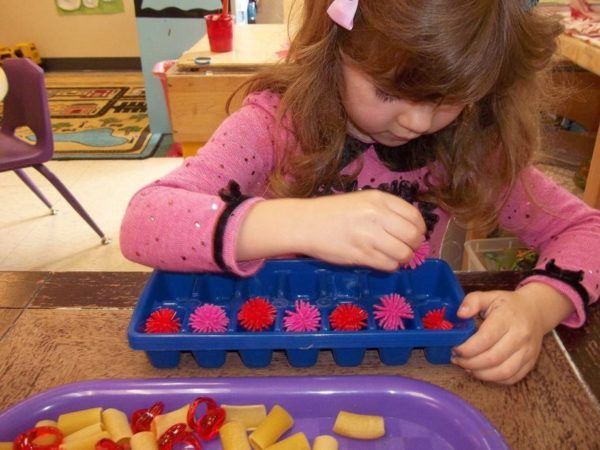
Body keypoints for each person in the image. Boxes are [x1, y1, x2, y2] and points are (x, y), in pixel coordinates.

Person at [121, 0, 600, 384]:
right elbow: (145, 222)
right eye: (389, 93)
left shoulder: (471, 147)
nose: (417, 122)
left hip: (398, 364)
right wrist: (298, 222)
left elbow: (586, 229)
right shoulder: (273, 127)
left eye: (448, 99)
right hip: (262, 355)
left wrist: (537, 307)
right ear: (336, 52)